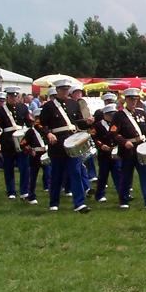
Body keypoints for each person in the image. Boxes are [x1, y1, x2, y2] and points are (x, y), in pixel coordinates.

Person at [39, 80, 91, 213]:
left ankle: (79, 203)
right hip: (57, 144)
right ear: (57, 90)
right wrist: (48, 134)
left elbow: (80, 123)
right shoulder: (49, 106)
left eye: (67, 89)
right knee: (57, 174)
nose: (65, 92)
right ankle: (54, 202)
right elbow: (40, 124)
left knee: (76, 171)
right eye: (62, 89)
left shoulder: (74, 104)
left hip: (73, 142)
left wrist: (88, 122)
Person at [112, 87, 146, 210]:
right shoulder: (119, 115)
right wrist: (124, 142)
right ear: (126, 100)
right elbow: (113, 133)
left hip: (141, 148)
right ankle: (123, 200)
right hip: (128, 150)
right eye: (131, 99)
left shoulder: (141, 113)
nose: (134, 101)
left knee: (145, 174)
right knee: (126, 176)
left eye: (135, 99)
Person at [0, 86, 34, 200]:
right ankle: (11, 191)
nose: (13, 98)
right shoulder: (0, 110)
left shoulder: (23, 108)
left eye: (15, 96)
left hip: (21, 139)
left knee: (24, 166)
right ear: (7, 97)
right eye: (11, 96)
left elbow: (29, 122)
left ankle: (24, 190)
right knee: (8, 167)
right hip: (7, 140)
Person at [91, 103, 121, 203]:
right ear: (105, 115)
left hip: (115, 152)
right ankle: (100, 194)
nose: (112, 117)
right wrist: (101, 145)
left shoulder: (116, 125)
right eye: (110, 115)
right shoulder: (98, 125)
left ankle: (122, 193)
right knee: (103, 174)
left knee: (118, 173)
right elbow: (94, 138)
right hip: (104, 154)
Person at [21, 108, 49, 205]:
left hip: (46, 154)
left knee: (49, 174)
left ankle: (48, 189)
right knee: (33, 176)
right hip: (35, 155)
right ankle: (31, 195)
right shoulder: (31, 132)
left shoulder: (46, 130)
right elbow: (23, 144)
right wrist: (29, 150)